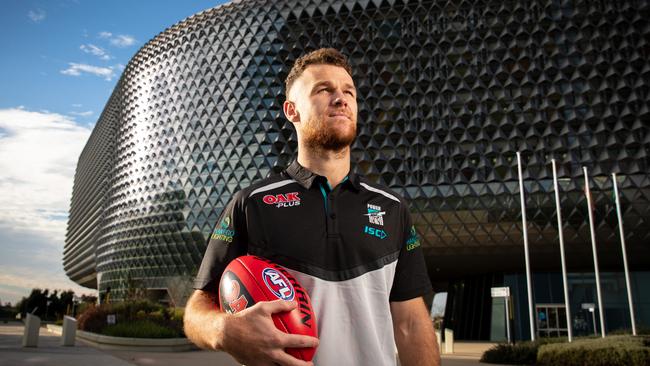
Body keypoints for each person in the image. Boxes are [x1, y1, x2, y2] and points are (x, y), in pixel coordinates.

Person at [184, 48, 440, 366]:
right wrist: (224, 330)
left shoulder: (392, 208)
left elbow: (411, 322)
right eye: (324, 90)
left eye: (349, 92)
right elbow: (197, 309)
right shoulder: (253, 203)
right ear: (292, 110)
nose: (340, 98)